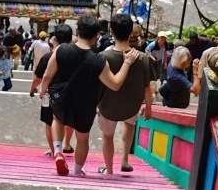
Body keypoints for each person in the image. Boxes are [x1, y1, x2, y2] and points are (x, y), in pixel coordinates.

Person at [39, 15, 139, 177]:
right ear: (96, 36)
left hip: (61, 98)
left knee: (58, 119)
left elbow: (47, 75)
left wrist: (43, 90)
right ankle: (78, 171)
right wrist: (127, 63)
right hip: (85, 104)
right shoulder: (98, 60)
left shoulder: (60, 50)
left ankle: (58, 151)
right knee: (82, 139)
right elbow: (115, 84)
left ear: (77, 31)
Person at [99, 14, 154, 175]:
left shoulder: (104, 57)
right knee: (129, 127)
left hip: (108, 106)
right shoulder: (143, 58)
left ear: (111, 31)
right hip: (131, 106)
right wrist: (149, 107)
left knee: (107, 136)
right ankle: (124, 160)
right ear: (131, 32)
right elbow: (147, 87)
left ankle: (109, 170)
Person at [30, 25, 74, 156]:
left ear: (55, 39)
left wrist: (34, 89)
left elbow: (40, 77)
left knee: (50, 122)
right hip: (70, 92)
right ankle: (66, 144)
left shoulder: (49, 56)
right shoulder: (76, 56)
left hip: (51, 93)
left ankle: (54, 150)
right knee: (69, 120)